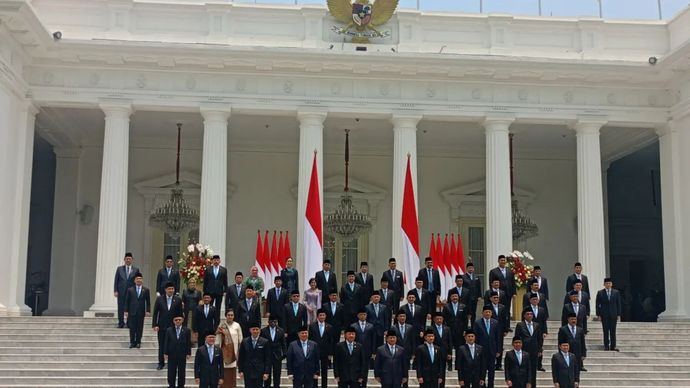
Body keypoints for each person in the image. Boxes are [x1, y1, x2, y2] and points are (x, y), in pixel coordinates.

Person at [153, 282, 184, 369]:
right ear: (165, 290)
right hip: (162, 326)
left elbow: (180, 314)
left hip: (173, 327)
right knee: (161, 345)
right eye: (169, 289)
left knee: (173, 345)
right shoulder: (159, 299)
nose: (171, 291)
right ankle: (161, 363)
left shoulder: (178, 300)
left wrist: (180, 325)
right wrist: (155, 324)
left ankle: (172, 362)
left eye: (172, 289)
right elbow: (155, 313)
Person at [473, 306, 502, 388]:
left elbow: (498, 338)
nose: (488, 313)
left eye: (489, 312)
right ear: (482, 313)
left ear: (491, 313)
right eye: (486, 312)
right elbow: (475, 337)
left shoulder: (495, 323)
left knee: (491, 372)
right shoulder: (477, 323)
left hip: (492, 351)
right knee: (481, 370)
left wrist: (498, 350)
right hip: (481, 351)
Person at [515, 309, 542, 388]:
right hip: (524, 350)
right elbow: (517, 338)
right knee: (523, 370)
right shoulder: (520, 325)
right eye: (528, 314)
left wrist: (540, 349)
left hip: (534, 350)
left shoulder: (537, 325)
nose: (530, 315)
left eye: (531, 314)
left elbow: (539, 338)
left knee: (533, 370)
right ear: (524, 315)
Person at [238, 323, 271, 388]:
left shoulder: (265, 342)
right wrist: (240, 370)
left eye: (257, 329)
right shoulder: (244, 341)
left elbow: (267, 358)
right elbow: (241, 357)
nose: (255, 331)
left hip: (259, 371)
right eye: (253, 329)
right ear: (250, 330)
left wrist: (266, 372)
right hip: (248, 371)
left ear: (259, 330)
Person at [216, 309, 243, 388]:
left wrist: (239, 351)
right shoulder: (222, 325)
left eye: (231, 315)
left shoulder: (237, 325)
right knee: (223, 371)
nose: (230, 317)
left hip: (234, 352)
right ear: (226, 316)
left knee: (232, 372)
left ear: (234, 316)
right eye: (228, 315)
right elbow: (217, 339)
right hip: (224, 352)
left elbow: (240, 340)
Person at [164, 315, 192, 388]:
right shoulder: (169, 330)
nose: (178, 321)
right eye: (176, 320)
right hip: (171, 354)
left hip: (182, 354)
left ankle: (181, 385)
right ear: (173, 321)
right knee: (171, 371)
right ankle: (171, 385)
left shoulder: (187, 330)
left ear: (182, 320)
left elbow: (188, 343)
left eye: (179, 320)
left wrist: (188, 352)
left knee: (181, 371)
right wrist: (165, 353)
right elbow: (166, 342)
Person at [124, 272, 150, 349]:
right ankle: (132, 342)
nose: (139, 280)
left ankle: (138, 342)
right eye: (137, 279)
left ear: (142, 280)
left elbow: (148, 301)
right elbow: (127, 301)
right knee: (132, 327)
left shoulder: (146, 290)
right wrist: (126, 311)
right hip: (132, 312)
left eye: (140, 279)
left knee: (139, 327)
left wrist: (148, 311)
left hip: (141, 312)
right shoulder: (130, 290)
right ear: (134, 280)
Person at [308, 309, 333, 388]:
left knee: (324, 371)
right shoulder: (312, 326)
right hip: (315, 352)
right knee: (315, 371)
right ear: (317, 316)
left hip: (325, 352)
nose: (322, 317)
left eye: (323, 315)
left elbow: (331, 341)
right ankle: (315, 386)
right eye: (320, 315)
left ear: (325, 316)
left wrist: (330, 353)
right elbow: (310, 340)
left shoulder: (329, 327)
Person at [596, 277, 622, 351]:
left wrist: (618, 314)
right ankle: (606, 346)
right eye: (606, 283)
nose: (608, 284)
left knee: (613, 331)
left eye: (609, 283)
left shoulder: (616, 292)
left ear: (612, 284)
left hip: (613, 314)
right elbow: (597, 304)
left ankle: (613, 346)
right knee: (605, 330)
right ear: (604, 284)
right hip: (604, 314)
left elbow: (618, 303)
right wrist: (598, 315)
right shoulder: (600, 293)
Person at [260, 315, 287, 388]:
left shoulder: (281, 330)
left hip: (277, 356)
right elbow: (261, 343)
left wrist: (284, 354)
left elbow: (283, 343)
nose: (273, 323)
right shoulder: (263, 331)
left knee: (277, 374)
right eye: (271, 321)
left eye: (275, 321)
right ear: (268, 322)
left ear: (277, 322)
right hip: (267, 356)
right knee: (267, 374)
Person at [488, 255, 516, 322]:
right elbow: (491, 283)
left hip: (508, 294)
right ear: (498, 261)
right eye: (501, 260)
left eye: (504, 260)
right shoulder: (493, 271)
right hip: (498, 294)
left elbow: (513, 282)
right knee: (498, 309)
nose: (503, 262)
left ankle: (507, 325)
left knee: (507, 309)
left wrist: (514, 293)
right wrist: (492, 293)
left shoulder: (510, 271)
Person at [114, 253, 139, 328]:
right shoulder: (119, 269)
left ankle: (129, 323)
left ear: (132, 260)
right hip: (121, 291)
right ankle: (121, 323)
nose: (128, 260)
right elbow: (116, 280)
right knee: (121, 307)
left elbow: (137, 281)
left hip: (131, 292)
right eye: (127, 259)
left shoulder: (136, 270)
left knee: (130, 307)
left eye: (129, 259)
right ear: (124, 259)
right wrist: (115, 290)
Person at [389, 309, 415, 375]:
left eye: (404, 316)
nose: (402, 318)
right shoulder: (393, 328)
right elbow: (391, 341)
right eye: (400, 316)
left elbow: (412, 340)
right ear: (397, 318)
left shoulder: (410, 327)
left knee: (405, 372)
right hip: (396, 352)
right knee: (396, 371)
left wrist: (413, 353)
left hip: (407, 352)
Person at [527, 293, 548, 372]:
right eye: (533, 299)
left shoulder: (542, 309)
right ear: (530, 300)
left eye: (536, 299)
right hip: (530, 330)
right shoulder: (527, 309)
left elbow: (544, 321)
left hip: (540, 331)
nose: (535, 301)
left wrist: (545, 331)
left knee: (540, 348)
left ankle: (539, 365)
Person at [352, 308, 376, 375]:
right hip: (356, 349)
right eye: (361, 314)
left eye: (364, 314)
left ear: (366, 315)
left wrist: (373, 351)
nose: (362, 316)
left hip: (367, 349)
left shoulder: (371, 326)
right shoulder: (353, 326)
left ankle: (364, 384)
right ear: (358, 316)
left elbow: (373, 339)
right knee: (356, 367)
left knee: (365, 368)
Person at [204, 255, 228, 323]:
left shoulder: (223, 270)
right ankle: (209, 321)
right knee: (209, 307)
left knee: (218, 308)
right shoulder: (208, 269)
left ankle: (217, 323)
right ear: (212, 261)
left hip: (219, 292)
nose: (216, 261)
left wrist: (225, 290)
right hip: (209, 292)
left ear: (219, 261)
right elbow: (205, 281)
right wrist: (205, 292)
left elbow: (225, 281)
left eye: (217, 260)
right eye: (214, 260)